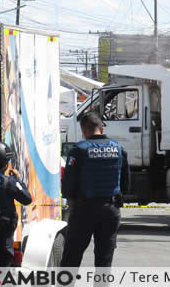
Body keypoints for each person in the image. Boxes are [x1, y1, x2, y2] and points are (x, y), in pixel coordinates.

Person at [61, 112, 130, 267]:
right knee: (104, 259)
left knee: (71, 256)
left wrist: (70, 201)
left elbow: (69, 182)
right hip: (110, 210)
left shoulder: (78, 150)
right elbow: (126, 182)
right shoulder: (118, 149)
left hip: (84, 210)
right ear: (101, 129)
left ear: (84, 131)